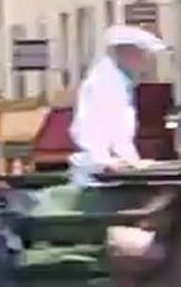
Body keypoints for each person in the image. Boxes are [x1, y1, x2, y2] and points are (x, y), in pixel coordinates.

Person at [69, 24, 168, 179]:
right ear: (127, 53)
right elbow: (100, 129)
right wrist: (108, 160)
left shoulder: (117, 80)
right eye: (142, 54)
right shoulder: (107, 82)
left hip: (105, 165)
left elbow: (119, 133)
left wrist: (133, 161)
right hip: (99, 169)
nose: (145, 60)